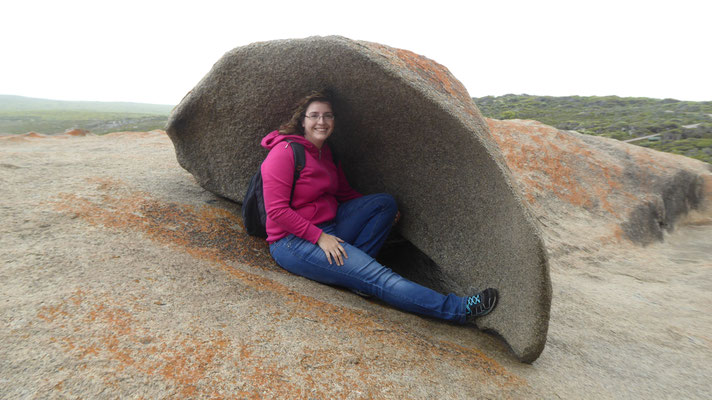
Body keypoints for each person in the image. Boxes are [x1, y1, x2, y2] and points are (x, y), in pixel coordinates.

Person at [261, 90, 498, 324]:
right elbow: (277, 211)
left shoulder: (327, 153)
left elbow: (344, 193)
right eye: (314, 115)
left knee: (384, 203)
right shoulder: (284, 153)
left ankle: (356, 278)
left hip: (330, 226)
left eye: (328, 115)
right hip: (293, 241)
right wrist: (320, 237)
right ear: (302, 121)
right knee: (378, 276)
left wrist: (379, 213)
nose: (321, 122)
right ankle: (457, 309)